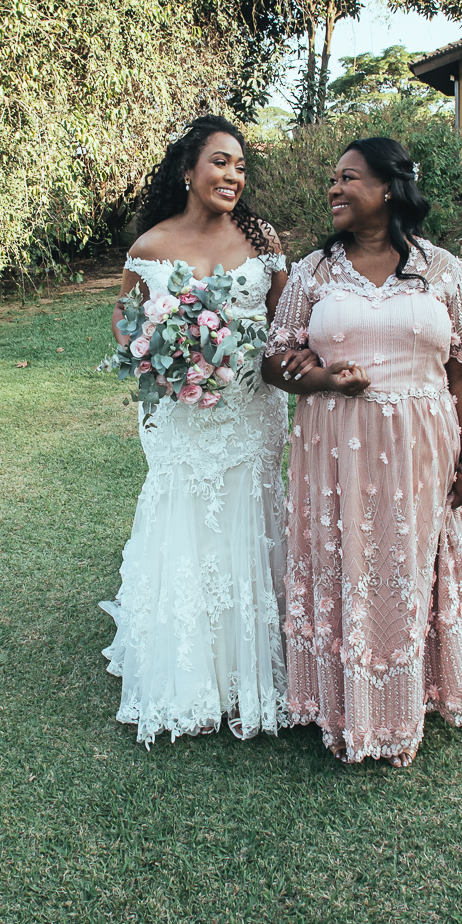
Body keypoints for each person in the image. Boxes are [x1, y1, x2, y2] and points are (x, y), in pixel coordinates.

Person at [262, 137, 462, 768]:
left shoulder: (443, 269)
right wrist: (325, 378)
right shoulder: (313, 272)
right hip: (335, 446)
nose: (335, 189)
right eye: (333, 179)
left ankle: (414, 696)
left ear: (388, 188)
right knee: (345, 559)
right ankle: (339, 704)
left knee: (409, 564)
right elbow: (275, 360)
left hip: (420, 443)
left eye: (349, 178)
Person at [101, 115, 310, 747]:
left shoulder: (261, 237)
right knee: (186, 520)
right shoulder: (151, 245)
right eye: (221, 162)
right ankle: (190, 677)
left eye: (241, 166)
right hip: (183, 415)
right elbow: (125, 317)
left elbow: (287, 318)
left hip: (249, 412)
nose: (233, 176)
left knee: (249, 518)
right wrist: (157, 352)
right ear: (189, 170)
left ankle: (257, 674)